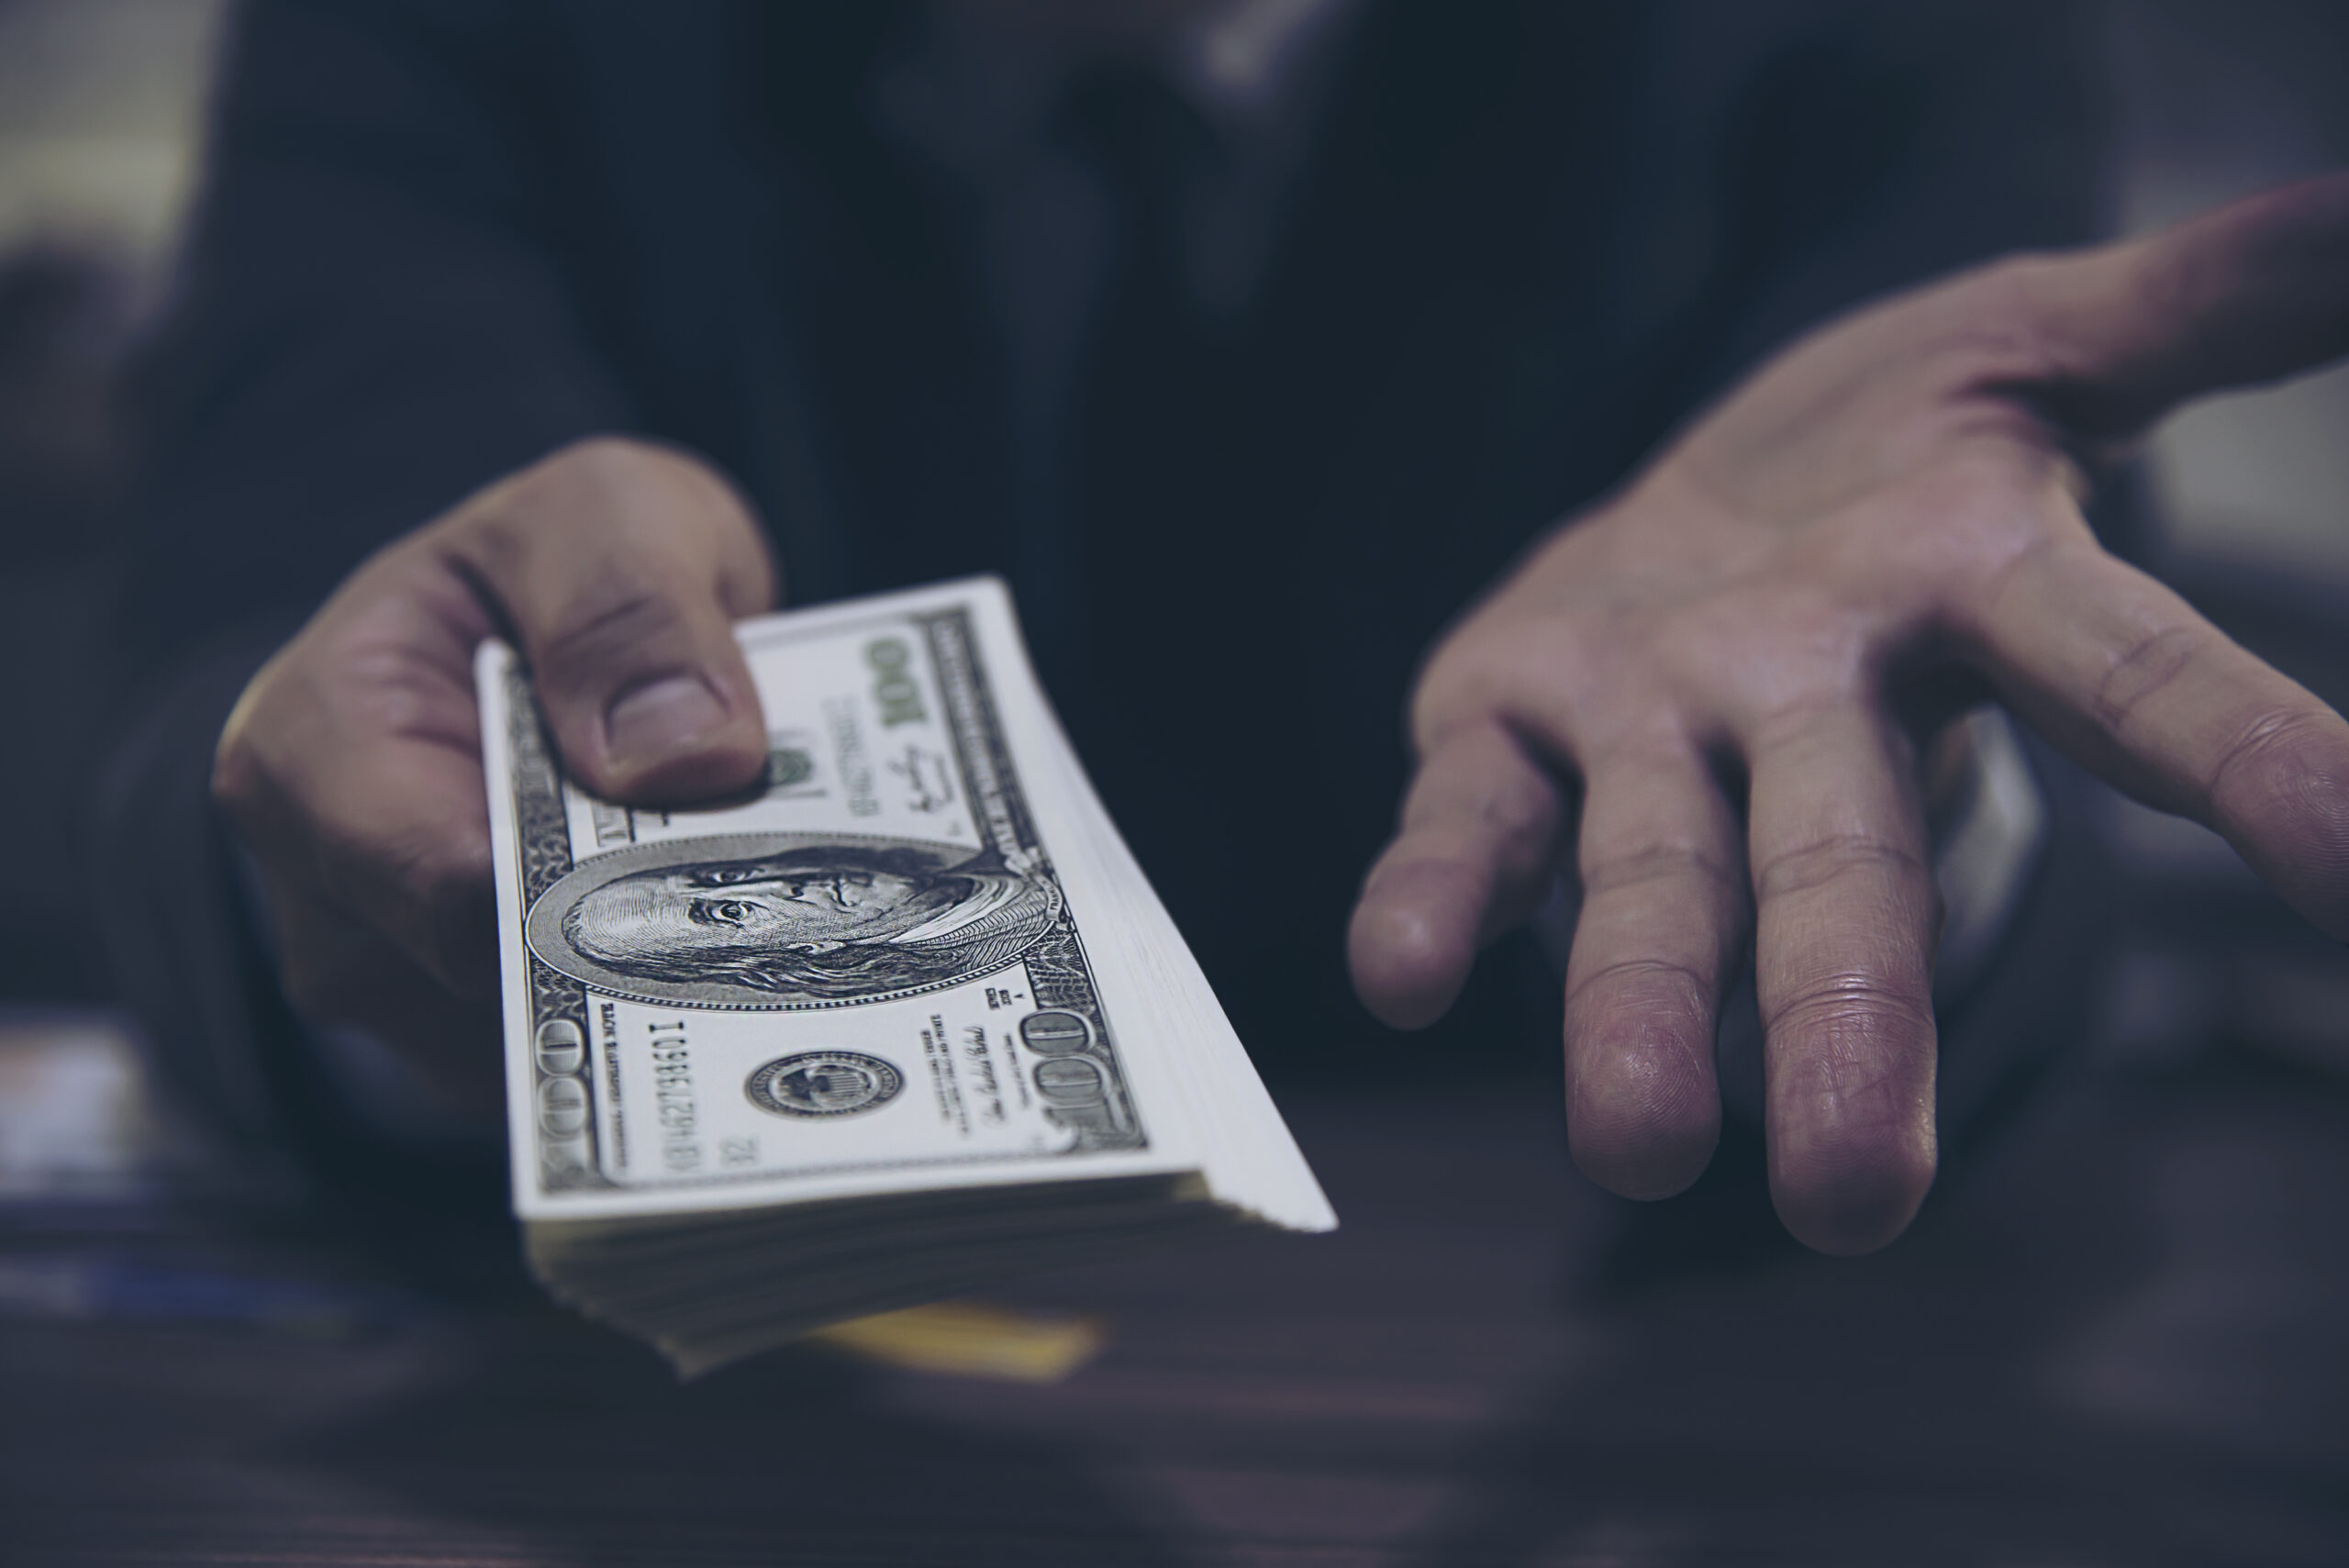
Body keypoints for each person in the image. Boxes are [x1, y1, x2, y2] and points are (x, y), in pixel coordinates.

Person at [95, 0, 2349, 1255]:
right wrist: (377, 867)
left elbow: (1987, 670)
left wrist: (1893, 779)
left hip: (1560, 1297)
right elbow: (245, 683)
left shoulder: (1854, 38)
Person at [537, 836, 1063, 1004]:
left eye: (724, 878)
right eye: (731, 911)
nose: (771, 882)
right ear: (782, 957)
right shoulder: (996, 938)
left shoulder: (982, 860)